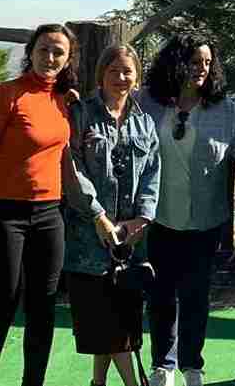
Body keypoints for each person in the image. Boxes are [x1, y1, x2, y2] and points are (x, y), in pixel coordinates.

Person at [0, 23, 77, 386]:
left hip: (50, 214)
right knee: (2, 304)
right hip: (4, 213)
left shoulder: (66, 99)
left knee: (43, 307)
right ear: (30, 51)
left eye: (58, 52)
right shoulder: (7, 94)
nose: (50, 57)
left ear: (68, 59)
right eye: (44, 49)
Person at [137, 34, 235, 386]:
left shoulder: (224, 108)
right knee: (161, 295)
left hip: (205, 220)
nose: (202, 69)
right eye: (195, 61)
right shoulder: (147, 102)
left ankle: (192, 365)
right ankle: (162, 365)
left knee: (196, 295)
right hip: (158, 217)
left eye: (208, 63)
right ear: (176, 62)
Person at [63, 44, 161, 386]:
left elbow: (152, 172)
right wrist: (99, 216)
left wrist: (142, 219)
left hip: (131, 240)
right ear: (101, 75)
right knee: (105, 323)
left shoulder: (144, 122)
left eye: (128, 71)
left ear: (137, 77)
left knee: (122, 320)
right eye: (114, 71)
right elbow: (71, 168)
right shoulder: (81, 114)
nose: (121, 78)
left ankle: (98, 384)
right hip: (89, 240)